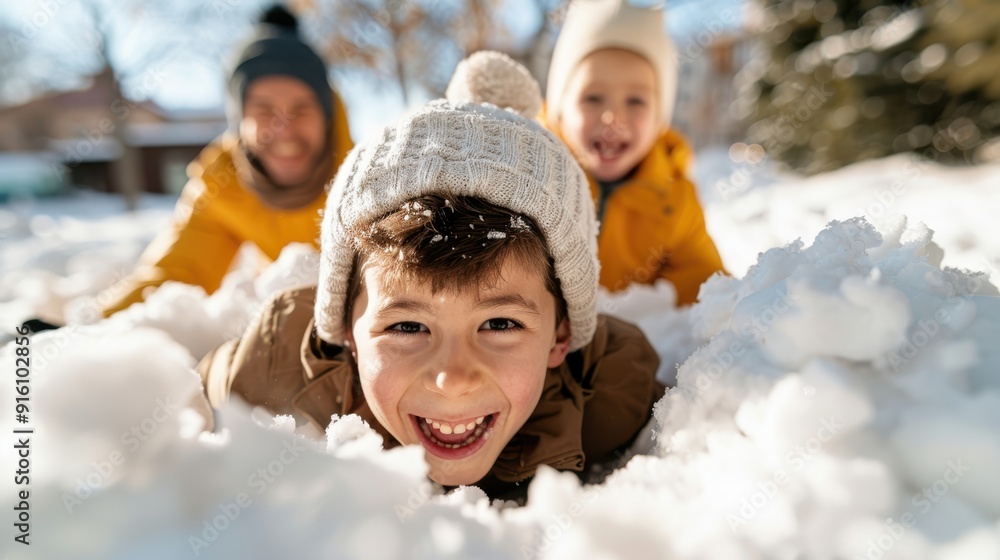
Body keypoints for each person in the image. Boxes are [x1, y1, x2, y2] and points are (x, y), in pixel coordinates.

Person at [197, 52, 664, 501]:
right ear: (347, 331)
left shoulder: (611, 389)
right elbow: (189, 389)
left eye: (500, 324)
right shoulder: (273, 369)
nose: (452, 379)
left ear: (561, 337)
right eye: (406, 326)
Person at [100, 5, 353, 317]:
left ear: (326, 118)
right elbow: (176, 274)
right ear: (239, 122)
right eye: (263, 110)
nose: (284, 130)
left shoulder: (374, 181)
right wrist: (94, 325)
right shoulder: (223, 185)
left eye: (301, 109)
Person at [544, 0, 725, 305]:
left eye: (636, 101)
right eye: (593, 97)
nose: (612, 116)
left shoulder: (674, 200)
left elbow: (707, 290)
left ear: (659, 120)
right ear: (560, 110)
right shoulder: (528, 178)